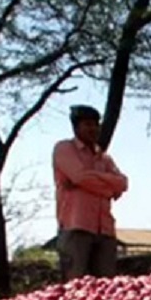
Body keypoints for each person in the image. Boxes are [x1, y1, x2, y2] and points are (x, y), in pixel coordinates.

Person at [52, 105, 129, 280]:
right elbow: (80, 176)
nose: (93, 129)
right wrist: (108, 189)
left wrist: (92, 181)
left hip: (105, 229)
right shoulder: (64, 149)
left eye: (95, 124)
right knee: (75, 284)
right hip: (76, 226)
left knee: (105, 287)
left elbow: (123, 183)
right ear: (76, 127)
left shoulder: (103, 157)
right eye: (87, 124)